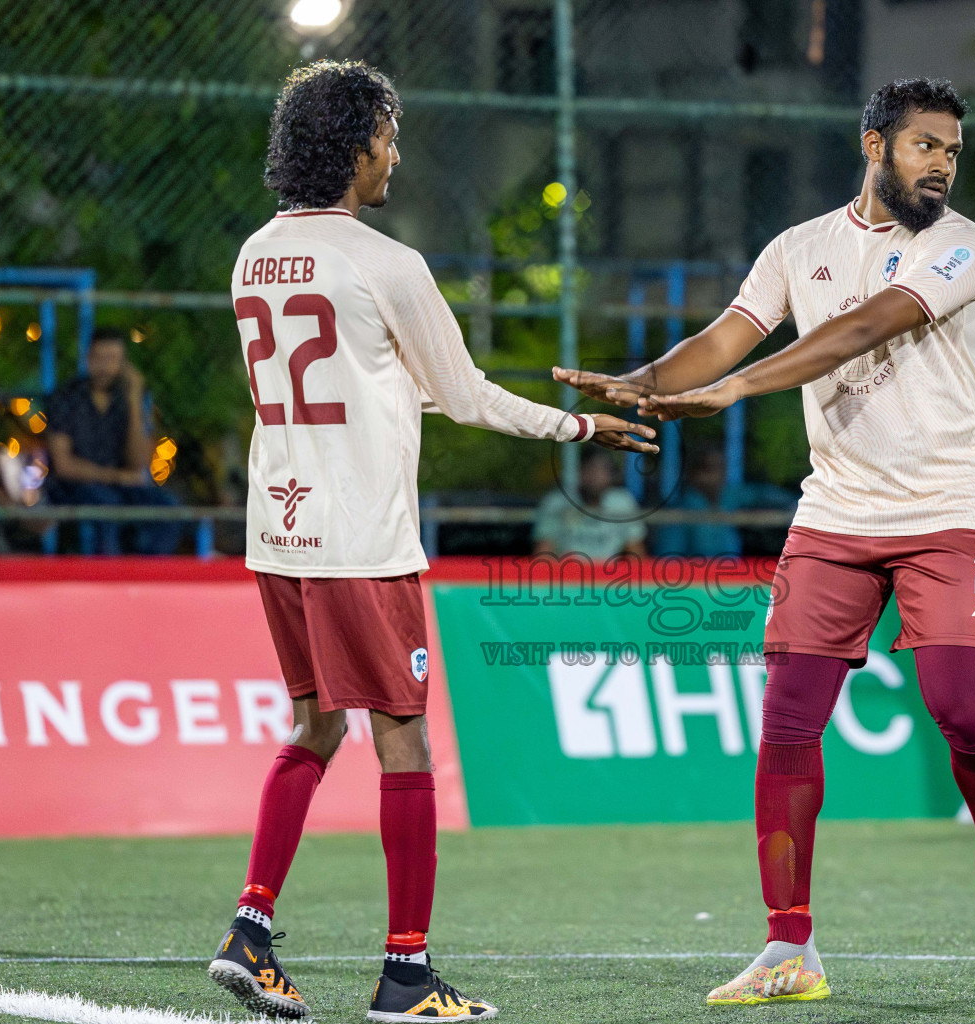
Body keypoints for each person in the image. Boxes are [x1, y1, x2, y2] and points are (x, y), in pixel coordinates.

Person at [558, 78, 975, 1002]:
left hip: (944, 509)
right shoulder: (800, 248)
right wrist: (644, 381)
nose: (941, 164)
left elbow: (868, 327)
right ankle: (790, 949)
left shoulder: (960, 246)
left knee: (964, 712)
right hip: (833, 513)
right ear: (874, 145)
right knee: (785, 726)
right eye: (924, 146)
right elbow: (727, 336)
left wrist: (738, 392)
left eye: (951, 150)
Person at [208, 60, 654, 1021]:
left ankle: (251, 929)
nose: (395, 153)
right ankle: (405, 975)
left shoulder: (253, 253)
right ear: (354, 144)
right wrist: (581, 427)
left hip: (278, 534)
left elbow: (370, 380)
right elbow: (467, 397)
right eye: (387, 135)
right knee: (403, 744)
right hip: (362, 543)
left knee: (315, 727)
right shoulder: (386, 262)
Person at [45, 327, 182, 555]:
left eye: (113, 359)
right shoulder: (66, 398)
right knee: (106, 509)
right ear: (88, 359)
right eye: (99, 358)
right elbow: (64, 466)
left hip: (121, 487)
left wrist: (135, 401)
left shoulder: (126, 400)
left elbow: (139, 463)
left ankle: (148, 578)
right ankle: (108, 582)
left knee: (167, 510)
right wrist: (117, 477)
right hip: (75, 488)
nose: (105, 367)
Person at [651, 446, 796, 557]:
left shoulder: (730, 496)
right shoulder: (680, 509)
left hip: (731, 580)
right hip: (694, 585)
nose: (714, 475)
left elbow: (764, 493)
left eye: (719, 468)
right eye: (707, 469)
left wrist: (801, 504)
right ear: (691, 473)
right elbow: (668, 562)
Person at [532, 447, 647, 559]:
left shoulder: (623, 503)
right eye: (590, 469)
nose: (595, 476)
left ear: (610, 475)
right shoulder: (556, 503)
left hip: (610, 575)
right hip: (567, 575)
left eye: (602, 470)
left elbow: (637, 555)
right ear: (580, 471)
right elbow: (543, 555)